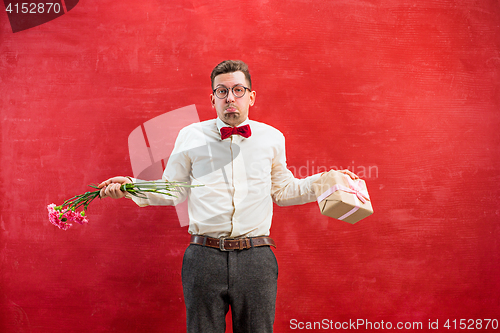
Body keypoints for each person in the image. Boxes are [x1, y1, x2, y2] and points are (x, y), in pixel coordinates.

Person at [98, 60, 358, 333]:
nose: (230, 98)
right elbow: (173, 190)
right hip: (203, 258)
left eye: (238, 90)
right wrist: (130, 187)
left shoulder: (272, 138)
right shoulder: (190, 135)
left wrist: (327, 179)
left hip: (256, 258)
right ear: (212, 99)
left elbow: (283, 191)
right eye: (222, 91)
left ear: (251, 96)